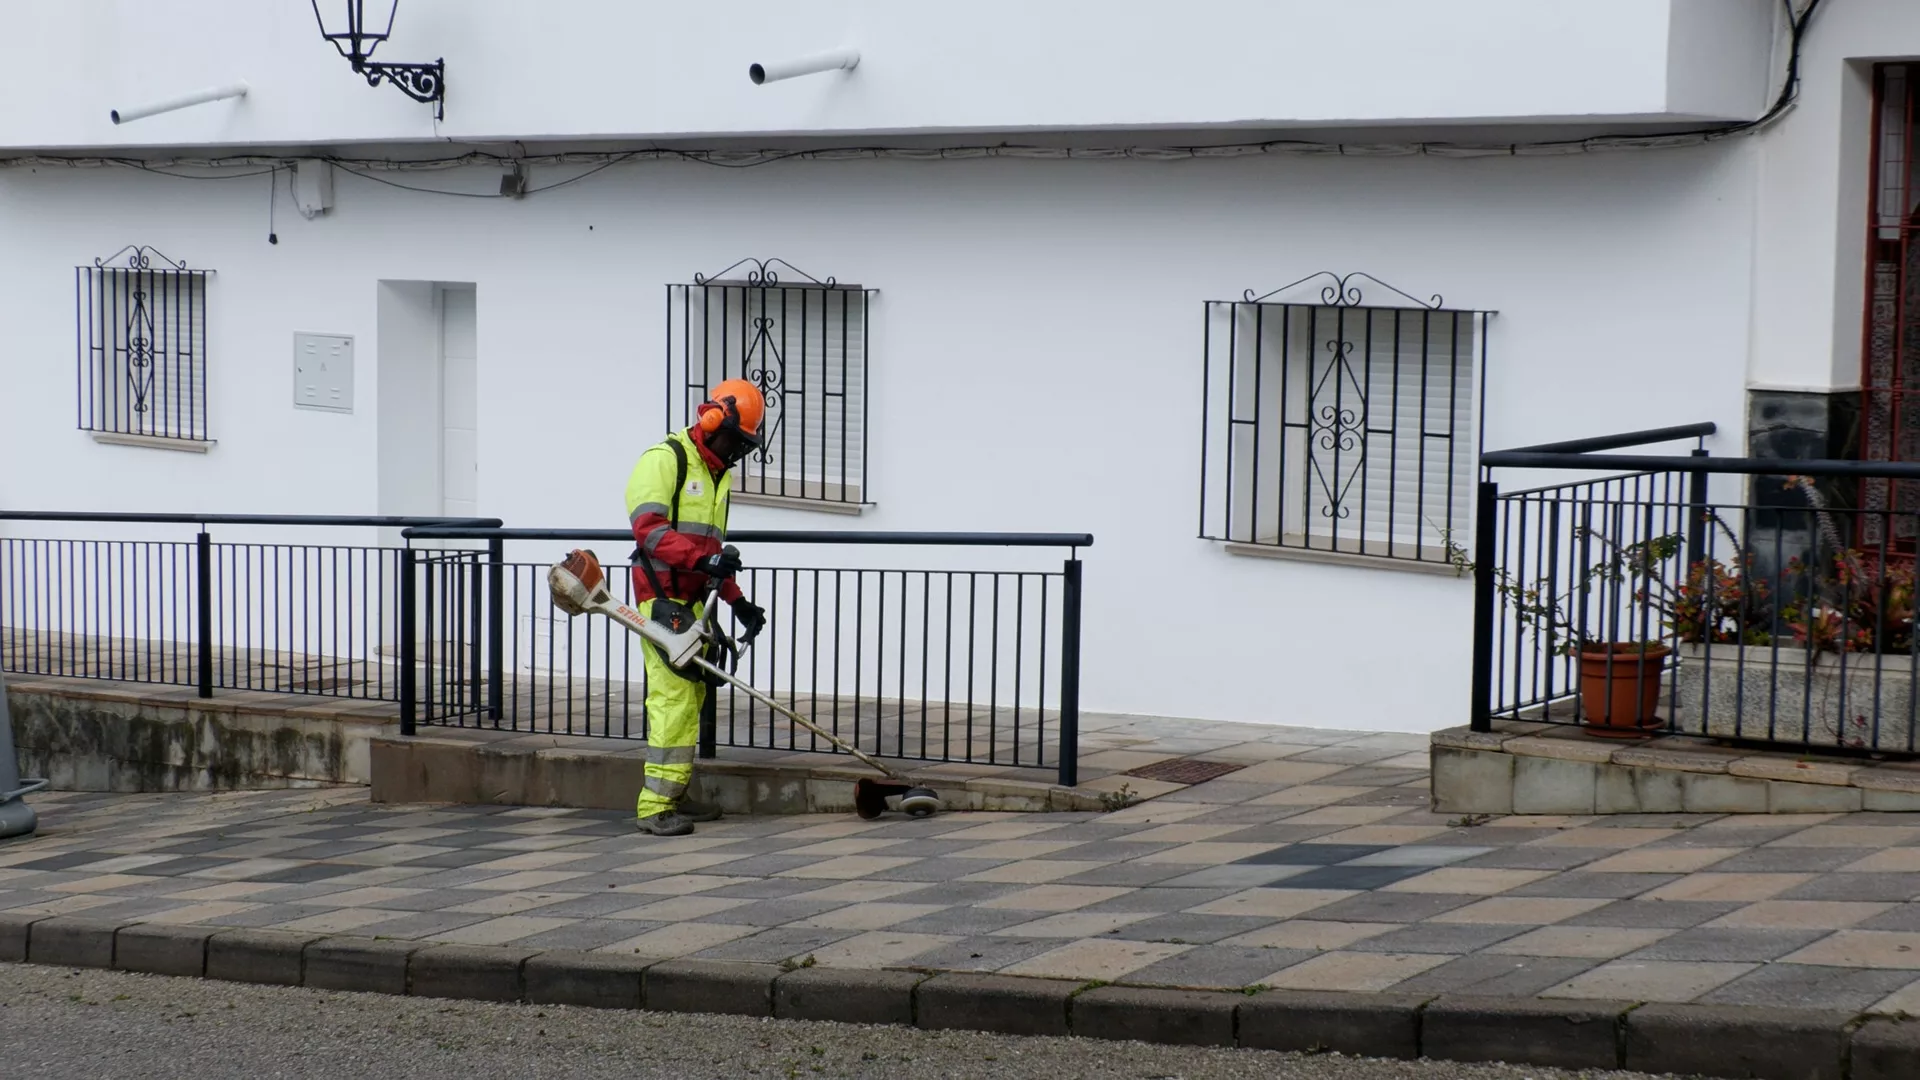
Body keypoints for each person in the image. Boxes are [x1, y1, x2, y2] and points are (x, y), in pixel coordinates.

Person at [624, 379, 769, 836]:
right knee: (673, 698)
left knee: (692, 698)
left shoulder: (717, 476)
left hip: (694, 602)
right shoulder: (666, 460)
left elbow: (712, 553)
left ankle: (676, 793)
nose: (738, 453)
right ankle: (654, 807)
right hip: (660, 598)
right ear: (711, 421)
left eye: (746, 447)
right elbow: (648, 530)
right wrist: (703, 562)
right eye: (736, 442)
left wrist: (738, 602)